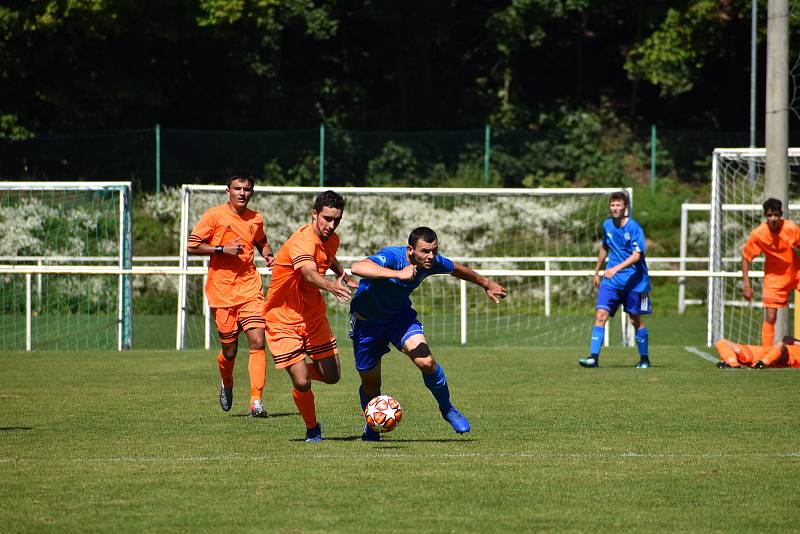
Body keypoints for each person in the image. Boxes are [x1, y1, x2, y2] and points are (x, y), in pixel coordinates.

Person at [349, 226, 507, 441]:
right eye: (425, 251)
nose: (431, 256)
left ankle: (447, 408)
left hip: (399, 318)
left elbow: (456, 269)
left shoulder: (430, 262)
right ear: (410, 250)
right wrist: (398, 273)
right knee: (371, 384)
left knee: (426, 362)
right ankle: (373, 426)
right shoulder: (392, 257)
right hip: (367, 325)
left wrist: (486, 283)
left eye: (434, 250)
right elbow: (357, 267)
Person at [263, 190, 357, 443]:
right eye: (327, 218)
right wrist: (332, 285)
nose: (331, 225)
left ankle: (297, 368)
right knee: (303, 383)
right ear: (314, 214)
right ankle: (312, 427)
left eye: (336, 220)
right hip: (283, 318)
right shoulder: (301, 241)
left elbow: (329, 256)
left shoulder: (331, 239)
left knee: (332, 376)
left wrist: (343, 274)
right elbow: (308, 273)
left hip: (313, 316)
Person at [187, 173, 275, 417]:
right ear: (228, 190)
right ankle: (226, 382)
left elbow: (261, 241)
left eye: (247, 189)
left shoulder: (256, 218)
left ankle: (256, 401)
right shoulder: (214, 216)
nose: (242, 193)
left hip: (250, 289)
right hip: (222, 292)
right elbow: (191, 246)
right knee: (230, 351)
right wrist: (221, 249)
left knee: (258, 341)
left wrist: (268, 254)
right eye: (237, 188)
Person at [579, 191, 651, 369]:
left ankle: (644, 359)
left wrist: (615, 268)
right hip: (611, 282)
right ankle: (593, 358)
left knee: (635, 320)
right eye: (612, 205)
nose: (615, 208)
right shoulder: (607, 225)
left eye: (618, 205)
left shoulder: (634, 228)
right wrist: (597, 271)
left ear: (625, 207)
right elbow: (605, 247)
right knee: (600, 315)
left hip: (635, 282)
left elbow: (636, 256)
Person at [741, 197, 800, 347]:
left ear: (781, 214)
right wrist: (747, 285)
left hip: (796, 273)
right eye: (769, 215)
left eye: (776, 215)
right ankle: (766, 351)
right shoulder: (759, 234)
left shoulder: (791, 228)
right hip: (774, 278)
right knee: (771, 316)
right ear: (765, 216)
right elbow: (745, 258)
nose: (773, 218)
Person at [715, 337, 800, 369]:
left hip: (784, 356)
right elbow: (787, 339)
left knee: (781, 345)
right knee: (722, 342)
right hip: (762, 351)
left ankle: (763, 363)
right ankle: (732, 362)